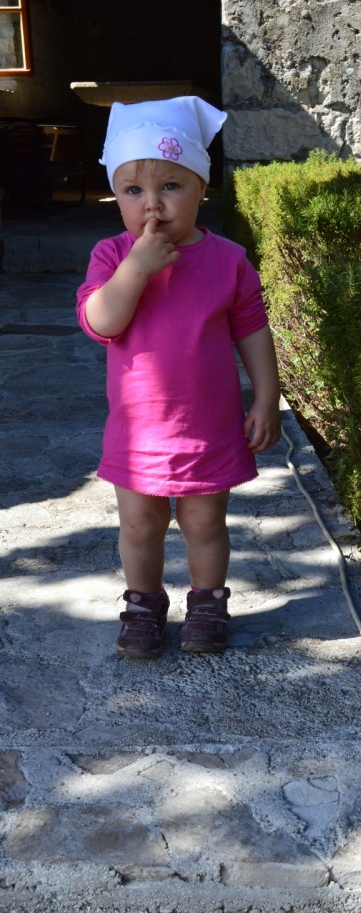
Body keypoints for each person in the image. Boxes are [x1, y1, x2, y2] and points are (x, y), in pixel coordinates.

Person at [76, 96, 281, 660]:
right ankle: (144, 603)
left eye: (170, 186)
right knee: (139, 524)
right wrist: (135, 269)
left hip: (207, 427)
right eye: (133, 190)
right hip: (137, 431)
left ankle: (208, 603)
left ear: (200, 188)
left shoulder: (228, 260)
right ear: (116, 196)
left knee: (205, 522)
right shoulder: (112, 255)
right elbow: (101, 321)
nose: (152, 204)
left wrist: (267, 397)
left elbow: (253, 331)